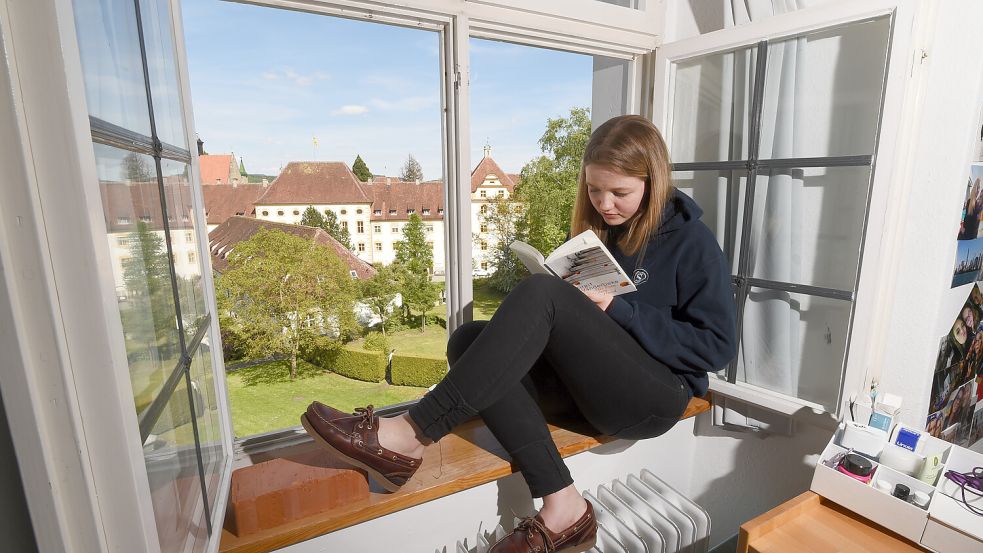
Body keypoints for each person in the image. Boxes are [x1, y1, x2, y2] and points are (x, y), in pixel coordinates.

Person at [301, 115, 737, 553]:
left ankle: (411, 434)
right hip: (593, 390)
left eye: (619, 192)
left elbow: (716, 347)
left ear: (653, 181)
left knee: (543, 295)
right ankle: (564, 504)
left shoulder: (692, 242)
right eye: (594, 189)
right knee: (468, 339)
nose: (604, 203)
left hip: (656, 396)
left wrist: (620, 311)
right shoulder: (603, 231)